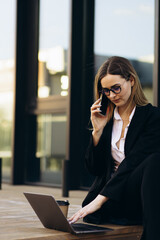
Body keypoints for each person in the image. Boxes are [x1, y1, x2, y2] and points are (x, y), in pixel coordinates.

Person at [68, 56, 160, 240]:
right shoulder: (107, 120)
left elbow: (134, 162)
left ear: (131, 80)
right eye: (106, 91)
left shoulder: (153, 117)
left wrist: (99, 200)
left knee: (154, 160)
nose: (112, 95)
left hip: (138, 197)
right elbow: (95, 169)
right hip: (112, 204)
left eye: (116, 88)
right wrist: (97, 131)